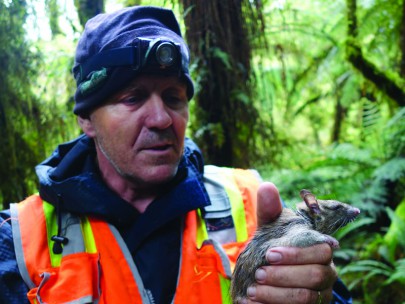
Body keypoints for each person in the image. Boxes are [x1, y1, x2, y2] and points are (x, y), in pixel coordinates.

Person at [0, 5, 352, 304]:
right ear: (86, 119)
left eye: (173, 97)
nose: (161, 119)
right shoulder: (20, 241)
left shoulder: (250, 202)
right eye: (132, 98)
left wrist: (319, 294)